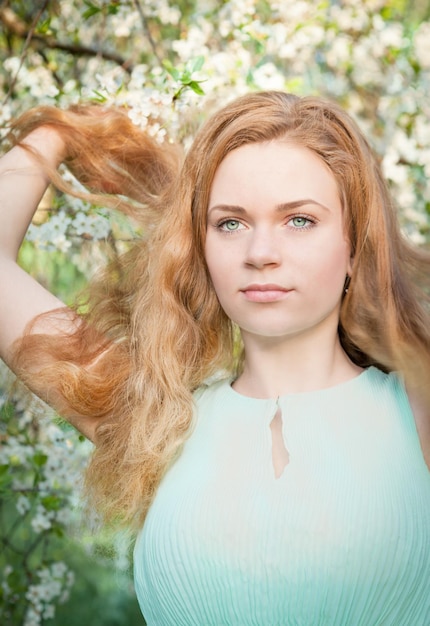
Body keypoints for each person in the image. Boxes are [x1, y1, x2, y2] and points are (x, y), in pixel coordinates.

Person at [0, 91, 430, 625]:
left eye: (299, 220)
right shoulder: (154, 417)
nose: (260, 253)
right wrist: (65, 131)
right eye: (230, 222)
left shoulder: (417, 412)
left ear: (355, 246)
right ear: (199, 248)